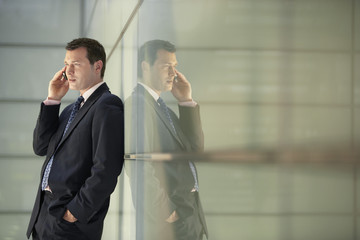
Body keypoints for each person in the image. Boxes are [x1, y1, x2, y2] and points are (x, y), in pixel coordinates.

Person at [26, 38, 124, 240]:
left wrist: (74, 213)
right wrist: (53, 100)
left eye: (76, 65)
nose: (68, 71)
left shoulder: (107, 105)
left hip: (70, 223)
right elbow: (41, 146)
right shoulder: (72, 109)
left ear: (97, 66)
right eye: (66, 64)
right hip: (44, 214)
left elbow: (106, 169)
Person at [125, 40, 208, 240]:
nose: (173, 73)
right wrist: (168, 214)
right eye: (165, 66)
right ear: (146, 66)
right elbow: (137, 165)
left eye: (174, 66)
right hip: (169, 224)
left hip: (187, 216)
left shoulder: (162, 108)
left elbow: (195, 150)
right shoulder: (138, 105)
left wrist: (186, 101)